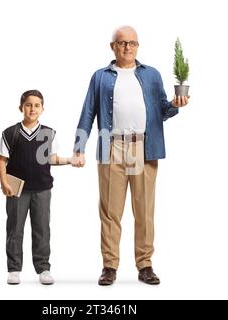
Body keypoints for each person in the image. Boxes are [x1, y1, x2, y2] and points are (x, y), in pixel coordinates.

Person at [72, 26, 189, 285]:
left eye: (132, 43)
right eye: (122, 43)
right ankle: (110, 266)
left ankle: (145, 264)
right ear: (112, 46)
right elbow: (88, 111)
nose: (127, 47)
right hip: (110, 147)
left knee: (144, 210)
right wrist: (79, 147)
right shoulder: (100, 77)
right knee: (110, 211)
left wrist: (175, 106)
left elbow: (161, 110)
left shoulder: (152, 75)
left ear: (138, 46)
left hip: (143, 148)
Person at [0, 89, 71, 285]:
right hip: (17, 190)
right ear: (21, 107)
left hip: (42, 189)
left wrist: (71, 160)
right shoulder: (10, 133)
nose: (32, 108)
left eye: (37, 105)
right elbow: (2, 160)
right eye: (28, 104)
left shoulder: (48, 133)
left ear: (43, 109)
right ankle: (14, 269)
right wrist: (4, 183)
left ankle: (43, 268)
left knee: (42, 229)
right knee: (15, 229)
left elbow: (52, 159)